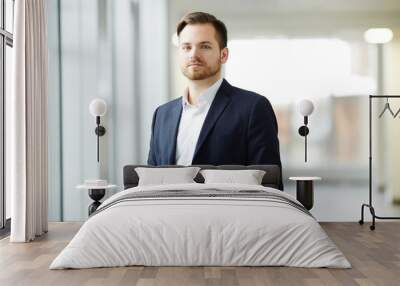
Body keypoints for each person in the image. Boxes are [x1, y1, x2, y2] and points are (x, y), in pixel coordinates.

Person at [147, 12, 283, 190]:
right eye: (186, 47)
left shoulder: (253, 108)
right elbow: (149, 184)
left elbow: (269, 185)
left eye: (205, 46)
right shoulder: (162, 115)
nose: (193, 54)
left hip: (230, 216)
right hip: (168, 216)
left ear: (223, 54)